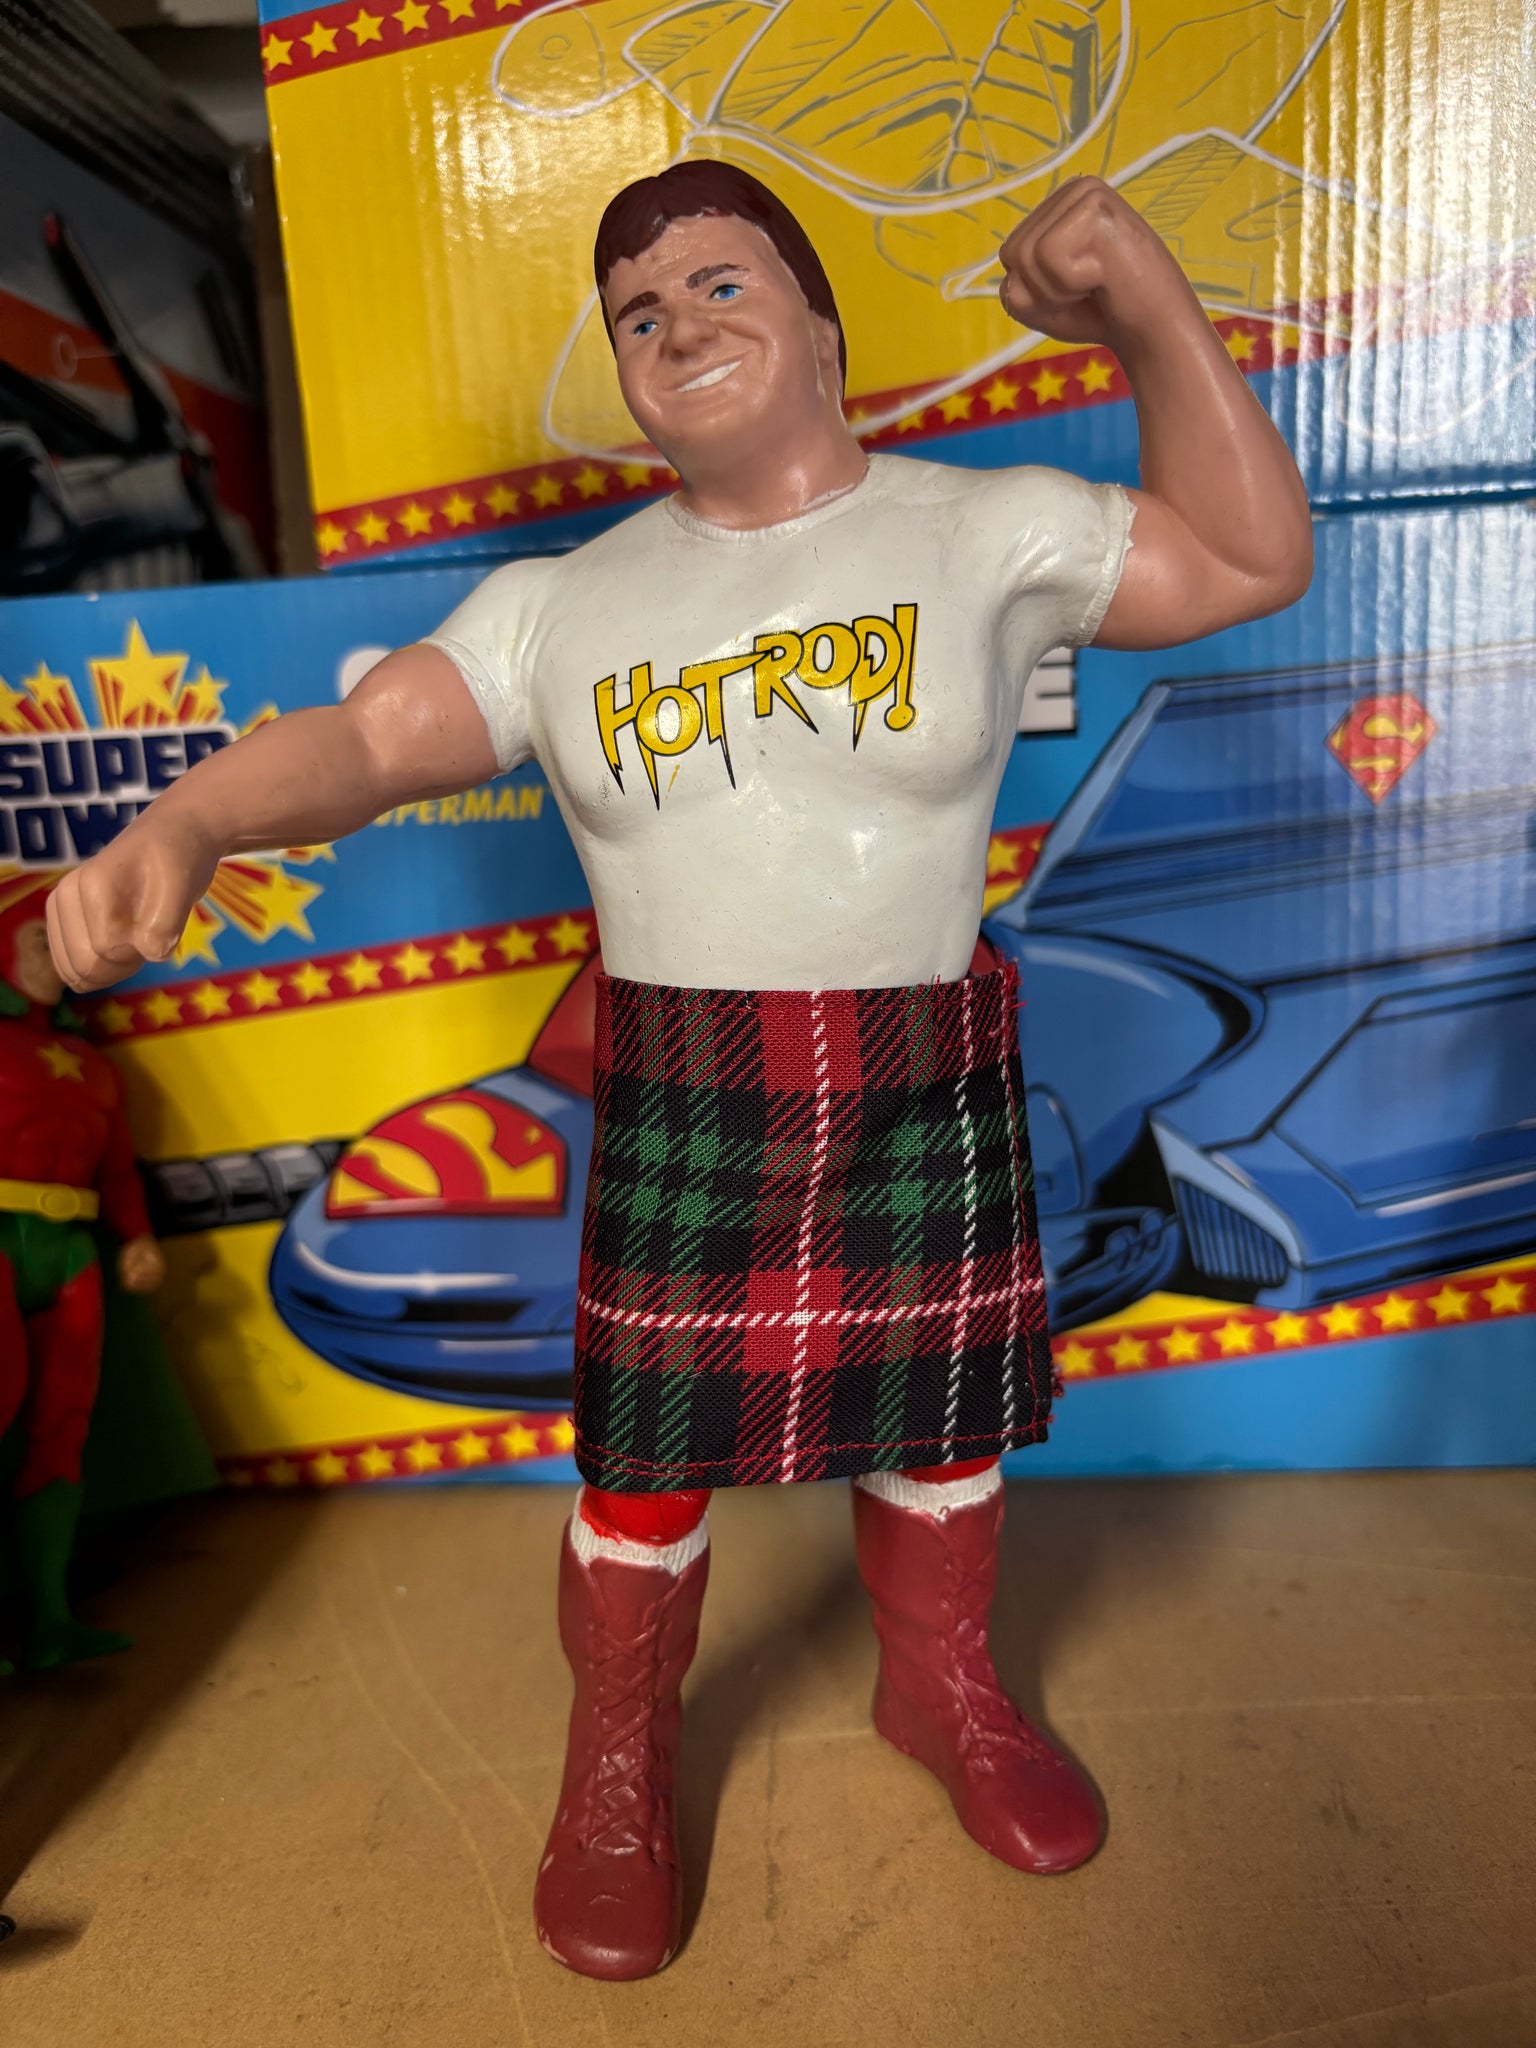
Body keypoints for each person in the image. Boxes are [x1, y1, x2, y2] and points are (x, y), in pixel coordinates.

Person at [47, 163, 1311, 1978]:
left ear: (822, 330)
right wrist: (184, 822)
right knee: (645, 1466)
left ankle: (943, 1688)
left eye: (721, 283)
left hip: (915, 1070)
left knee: (942, 1432)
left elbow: (1252, 559)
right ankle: (618, 1759)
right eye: (638, 310)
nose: (678, 325)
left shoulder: (984, 531)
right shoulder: (561, 605)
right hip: (694, 1094)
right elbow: (367, 738)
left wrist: (1143, 306)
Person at [0, 882, 164, 1675]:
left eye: (64, 945)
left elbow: (117, 1168)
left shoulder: (95, 1065)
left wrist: (137, 1237)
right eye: (40, 941)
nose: (54, 959)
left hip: (70, 1251)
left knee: (62, 1428)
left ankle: (50, 1617)